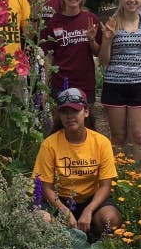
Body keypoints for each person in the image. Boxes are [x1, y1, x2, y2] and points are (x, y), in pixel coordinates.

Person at [33, 87, 123, 240]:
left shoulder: (101, 143)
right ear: (59, 115)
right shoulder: (49, 144)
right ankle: (57, 241)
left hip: (91, 200)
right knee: (40, 218)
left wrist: (89, 210)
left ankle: (96, 237)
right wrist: (63, 210)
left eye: (75, 111)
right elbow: (46, 187)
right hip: (59, 200)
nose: (70, 116)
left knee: (111, 219)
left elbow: (105, 186)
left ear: (86, 112)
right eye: (64, 112)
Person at [99, 0, 141, 160]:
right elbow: (103, 61)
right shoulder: (113, 23)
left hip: (139, 84)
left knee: (139, 136)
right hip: (114, 84)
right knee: (118, 136)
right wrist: (107, 40)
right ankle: (117, 174)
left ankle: (139, 175)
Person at [39, 0, 101, 127]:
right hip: (60, 82)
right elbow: (47, 56)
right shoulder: (54, 22)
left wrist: (92, 40)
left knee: (87, 126)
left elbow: (98, 52)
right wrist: (45, 87)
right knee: (60, 126)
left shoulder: (91, 19)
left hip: (85, 82)